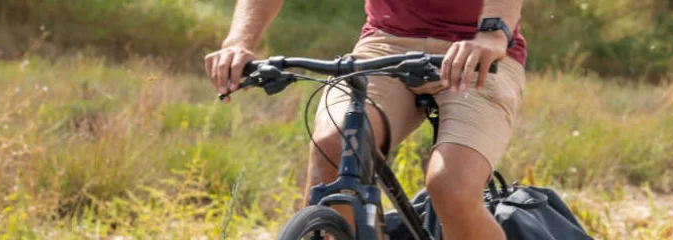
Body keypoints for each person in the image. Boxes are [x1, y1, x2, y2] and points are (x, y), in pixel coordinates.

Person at [201, 0, 527, 239]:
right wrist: (238, 43)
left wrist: (493, 34)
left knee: (451, 186)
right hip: (386, 44)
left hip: (477, 52)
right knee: (334, 145)